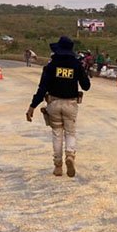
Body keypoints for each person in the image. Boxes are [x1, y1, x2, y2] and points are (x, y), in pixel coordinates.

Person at [26, 36, 91, 178]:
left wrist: (32, 106)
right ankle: (70, 155)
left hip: (53, 103)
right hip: (71, 104)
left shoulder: (51, 65)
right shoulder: (76, 65)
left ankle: (57, 166)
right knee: (70, 132)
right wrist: (80, 72)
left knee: (57, 133)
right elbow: (86, 86)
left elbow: (42, 88)